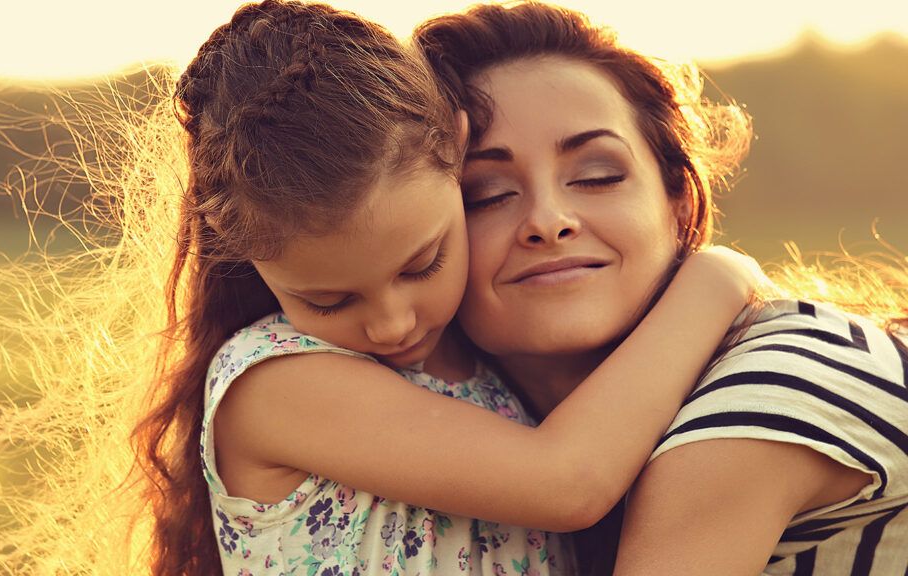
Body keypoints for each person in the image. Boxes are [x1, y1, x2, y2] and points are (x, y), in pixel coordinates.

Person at [133, 1, 773, 574]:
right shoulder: (276, 383)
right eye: (328, 300)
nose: (390, 325)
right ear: (231, 239)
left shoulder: (492, 366)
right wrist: (720, 275)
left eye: (422, 266)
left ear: (455, 152)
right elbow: (569, 483)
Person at [415, 2, 908, 574]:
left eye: (598, 175)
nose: (548, 220)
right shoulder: (455, 421)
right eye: (487, 193)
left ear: (677, 202)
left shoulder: (779, 381)